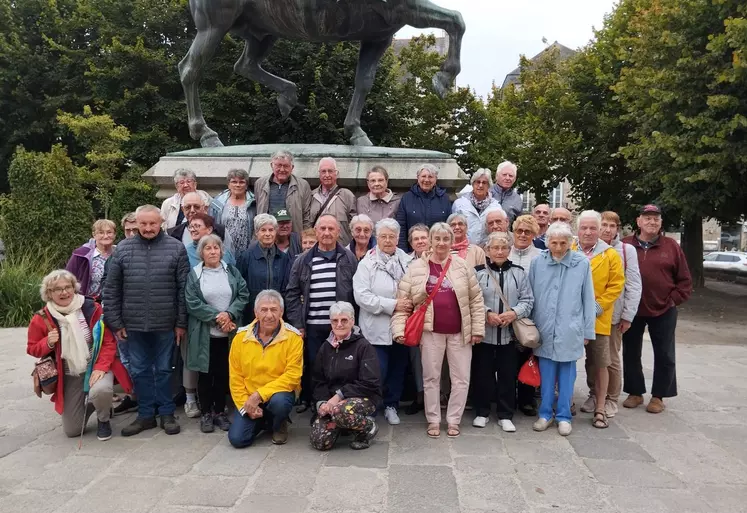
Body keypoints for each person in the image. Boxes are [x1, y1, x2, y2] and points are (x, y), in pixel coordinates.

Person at [392, 223, 485, 439]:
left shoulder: (462, 266)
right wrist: (399, 329)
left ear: (451, 242)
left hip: (460, 332)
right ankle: (433, 419)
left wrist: (477, 329)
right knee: (431, 378)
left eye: (446, 239)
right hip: (430, 332)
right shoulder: (416, 268)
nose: (441, 243)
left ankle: (454, 419)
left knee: (461, 378)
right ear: (430, 241)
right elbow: (403, 301)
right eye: (437, 239)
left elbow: (476, 300)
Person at [104, 205, 190, 437]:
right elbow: (111, 289)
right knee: (140, 370)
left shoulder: (176, 248)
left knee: (164, 370)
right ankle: (145, 415)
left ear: (161, 222)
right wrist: (115, 322)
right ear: (137, 223)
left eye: (153, 223)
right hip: (132, 325)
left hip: (166, 323)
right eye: (143, 223)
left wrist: (181, 323)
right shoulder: (122, 249)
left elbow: (184, 290)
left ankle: (167, 413)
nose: (148, 228)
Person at [27, 270, 133, 441]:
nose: (64, 292)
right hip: (69, 372)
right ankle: (95, 405)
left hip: (95, 365)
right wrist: (47, 343)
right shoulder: (42, 317)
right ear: (49, 293)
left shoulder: (91, 308)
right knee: (73, 430)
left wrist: (100, 367)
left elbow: (108, 342)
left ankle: (103, 419)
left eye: (67, 287)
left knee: (101, 389)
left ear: (74, 288)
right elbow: (32, 348)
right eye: (57, 289)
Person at [622, 204, 692, 413]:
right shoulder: (625, 245)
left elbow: (685, 280)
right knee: (630, 352)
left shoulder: (671, 246)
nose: (652, 222)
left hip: (663, 308)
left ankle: (659, 395)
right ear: (638, 221)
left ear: (661, 222)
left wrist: (673, 300)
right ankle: (635, 392)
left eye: (656, 218)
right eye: (648, 218)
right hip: (632, 309)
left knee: (665, 354)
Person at [529, 222, 596, 436]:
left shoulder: (581, 263)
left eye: (562, 243)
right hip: (545, 327)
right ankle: (545, 413)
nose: (557, 247)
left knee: (567, 375)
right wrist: (530, 327)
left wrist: (587, 331)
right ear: (547, 241)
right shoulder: (537, 262)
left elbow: (588, 298)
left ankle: (564, 416)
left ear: (570, 242)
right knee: (547, 374)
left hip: (570, 328)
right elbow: (530, 296)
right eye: (553, 242)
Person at [286, 215, 358, 411]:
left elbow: (356, 292)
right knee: (316, 366)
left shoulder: (349, 258)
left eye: (331, 229)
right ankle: (316, 403)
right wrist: (298, 324)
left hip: (340, 326)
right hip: (313, 325)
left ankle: (338, 404)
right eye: (322, 229)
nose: (326, 233)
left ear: (338, 232)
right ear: (316, 232)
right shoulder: (302, 261)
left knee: (342, 367)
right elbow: (292, 293)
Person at [185, 234, 249, 433]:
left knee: (223, 374)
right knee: (205, 374)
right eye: (208, 248)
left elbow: (243, 294)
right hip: (205, 334)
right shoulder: (195, 274)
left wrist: (229, 314)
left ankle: (220, 412)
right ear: (201, 253)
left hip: (228, 335)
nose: (213, 251)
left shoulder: (232, 271)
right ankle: (206, 413)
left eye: (216, 248)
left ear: (222, 251)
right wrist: (218, 318)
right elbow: (193, 302)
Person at [353, 218, 414, 425]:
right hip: (375, 327)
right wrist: (393, 304)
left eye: (392, 236)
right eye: (383, 236)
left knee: (398, 368)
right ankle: (372, 406)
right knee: (376, 371)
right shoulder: (366, 264)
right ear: (376, 238)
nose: (388, 240)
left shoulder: (407, 261)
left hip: (402, 326)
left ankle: (391, 404)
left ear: (398, 238)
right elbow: (362, 297)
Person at [474, 232, 534, 432]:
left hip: (510, 336)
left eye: (503, 247)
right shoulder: (478, 273)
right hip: (484, 334)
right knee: (483, 374)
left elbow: (528, 300)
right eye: (495, 248)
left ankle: (505, 414)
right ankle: (481, 412)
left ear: (509, 250)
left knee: (508, 375)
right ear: (487, 250)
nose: (499, 251)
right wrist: (486, 313)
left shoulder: (519, 273)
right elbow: (471, 300)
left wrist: (513, 313)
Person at [228, 290, 303, 447]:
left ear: (281, 312)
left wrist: (259, 395)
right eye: (264, 310)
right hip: (249, 397)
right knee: (238, 440)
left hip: (278, 395)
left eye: (274, 309)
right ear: (256, 312)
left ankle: (278, 423)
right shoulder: (240, 338)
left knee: (280, 402)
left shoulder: (293, 338)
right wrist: (246, 405)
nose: (269, 315)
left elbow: (292, 376)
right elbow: (235, 377)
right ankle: (264, 420)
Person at [586, 210, 642, 418]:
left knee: (610, 358)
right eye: (604, 225)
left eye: (612, 226)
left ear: (617, 229)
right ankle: (594, 393)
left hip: (613, 313)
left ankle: (610, 398)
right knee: (592, 358)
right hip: (588, 314)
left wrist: (628, 315)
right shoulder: (589, 248)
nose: (607, 230)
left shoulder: (625, 251)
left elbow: (633, 285)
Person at [573, 210, 625, 429]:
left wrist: (597, 305)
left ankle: (601, 406)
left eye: (593, 228)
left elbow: (616, 285)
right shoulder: (570, 250)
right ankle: (567, 401)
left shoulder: (610, 254)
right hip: (572, 318)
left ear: (599, 230)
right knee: (567, 360)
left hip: (598, 318)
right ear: (577, 230)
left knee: (600, 363)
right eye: (584, 228)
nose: (588, 232)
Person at [310, 302, 382, 451]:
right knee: (320, 442)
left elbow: (370, 383)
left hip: (364, 397)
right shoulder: (325, 347)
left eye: (344, 320)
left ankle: (367, 427)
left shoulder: (363, 346)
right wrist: (322, 402)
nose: (339, 324)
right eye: (335, 321)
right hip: (333, 402)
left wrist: (339, 396)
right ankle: (345, 424)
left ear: (352, 321)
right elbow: (318, 380)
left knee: (340, 411)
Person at [236, 214, 292, 323]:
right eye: (263, 230)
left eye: (271, 230)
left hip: (277, 314)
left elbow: (287, 288)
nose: (267, 234)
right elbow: (239, 287)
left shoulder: (284, 258)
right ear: (257, 233)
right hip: (252, 313)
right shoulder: (246, 257)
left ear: (276, 232)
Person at [111, 213, 139, 416]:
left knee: (147, 362)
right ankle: (133, 395)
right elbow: (110, 287)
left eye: (134, 230)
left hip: (145, 318)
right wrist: (115, 321)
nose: (130, 234)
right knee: (127, 359)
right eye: (127, 230)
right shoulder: (118, 252)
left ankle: (146, 397)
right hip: (123, 317)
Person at [254, 150, 312, 234]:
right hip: (267, 234)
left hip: (293, 236)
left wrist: (305, 237)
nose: (282, 169)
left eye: (286, 166)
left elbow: (306, 216)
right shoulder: (260, 183)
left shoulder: (303, 185)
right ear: (271, 165)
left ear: (292, 167)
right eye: (278, 165)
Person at [396, 164, 452, 251]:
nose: (426, 180)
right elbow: (401, 227)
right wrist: (403, 252)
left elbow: (449, 227)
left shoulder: (444, 198)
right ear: (418, 178)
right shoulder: (407, 198)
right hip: (413, 251)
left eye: (430, 177)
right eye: (423, 176)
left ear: (435, 179)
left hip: (438, 250)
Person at [309, 157, 357, 246]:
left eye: (330, 171)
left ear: (336, 173)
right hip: (316, 248)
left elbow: (354, 226)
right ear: (319, 174)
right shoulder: (311, 196)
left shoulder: (347, 195)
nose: (327, 175)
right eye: (323, 171)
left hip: (342, 249)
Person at [169, 191, 234, 256]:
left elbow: (229, 258)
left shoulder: (221, 231)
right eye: (188, 207)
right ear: (183, 209)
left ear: (205, 208)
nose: (192, 210)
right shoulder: (173, 233)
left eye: (196, 207)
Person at [66, 220, 117, 300]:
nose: (105, 236)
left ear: (114, 234)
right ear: (94, 235)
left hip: (113, 303)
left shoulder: (120, 253)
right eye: (101, 232)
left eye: (109, 232)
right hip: (87, 303)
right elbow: (67, 278)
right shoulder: (81, 254)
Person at [209, 169, 257, 254]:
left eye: (241, 182)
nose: (238, 185)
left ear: (246, 185)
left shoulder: (254, 203)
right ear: (228, 185)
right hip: (223, 250)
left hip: (247, 251)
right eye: (234, 182)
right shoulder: (217, 203)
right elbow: (211, 227)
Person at [451, 169, 503, 244]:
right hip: (465, 247)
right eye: (478, 182)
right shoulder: (460, 204)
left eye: (484, 183)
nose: (480, 185)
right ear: (473, 184)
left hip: (487, 248)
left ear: (489, 186)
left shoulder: (496, 207)